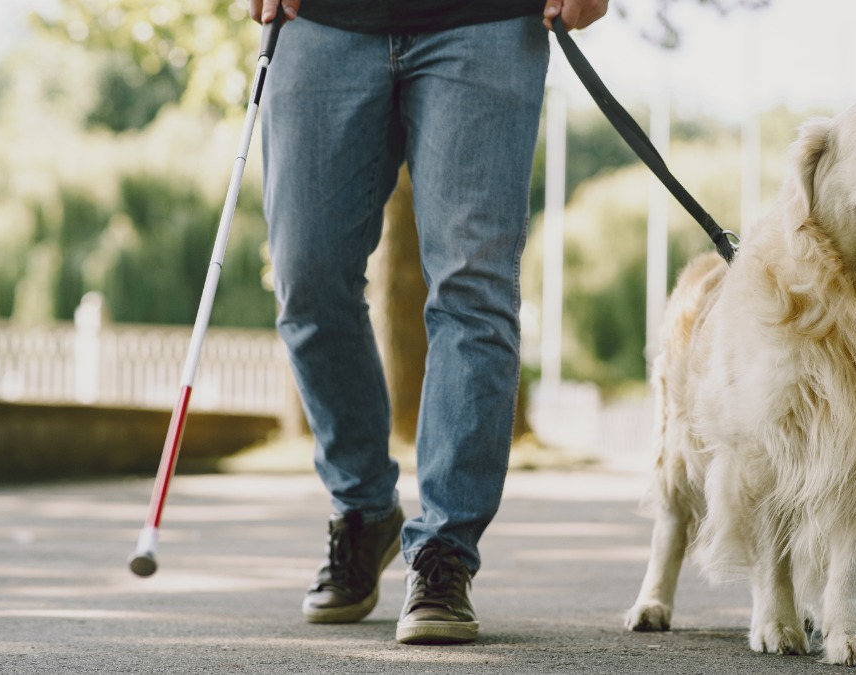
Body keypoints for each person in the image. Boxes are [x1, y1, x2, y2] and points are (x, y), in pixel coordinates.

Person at [249, 0, 608, 645]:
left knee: (474, 286)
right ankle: (363, 510)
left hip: (486, 21)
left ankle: (445, 550)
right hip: (322, 21)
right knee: (308, 280)